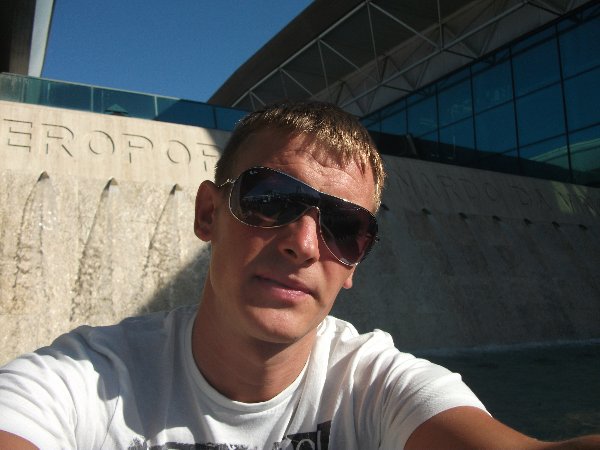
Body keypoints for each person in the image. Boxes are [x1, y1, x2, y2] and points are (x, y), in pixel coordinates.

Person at [0, 101, 598, 450]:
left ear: (356, 262)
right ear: (208, 213)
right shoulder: (89, 378)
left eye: (344, 227)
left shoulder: (374, 385)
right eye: (271, 200)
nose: (304, 244)